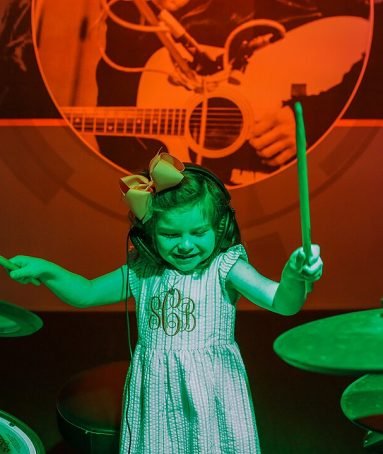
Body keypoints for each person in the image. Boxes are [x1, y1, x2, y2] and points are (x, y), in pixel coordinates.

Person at [7, 152, 323, 453]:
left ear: (220, 227)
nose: (186, 244)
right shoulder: (143, 270)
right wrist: (48, 271)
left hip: (211, 393)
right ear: (149, 234)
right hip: (155, 391)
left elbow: (282, 302)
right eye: (171, 234)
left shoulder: (225, 267)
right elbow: (86, 293)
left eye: (199, 232)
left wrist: (295, 276)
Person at [95, 0, 369, 185]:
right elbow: (115, 134)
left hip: (316, 183)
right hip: (200, 205)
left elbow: (370, 69)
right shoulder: (132, 13)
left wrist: (313, 118)